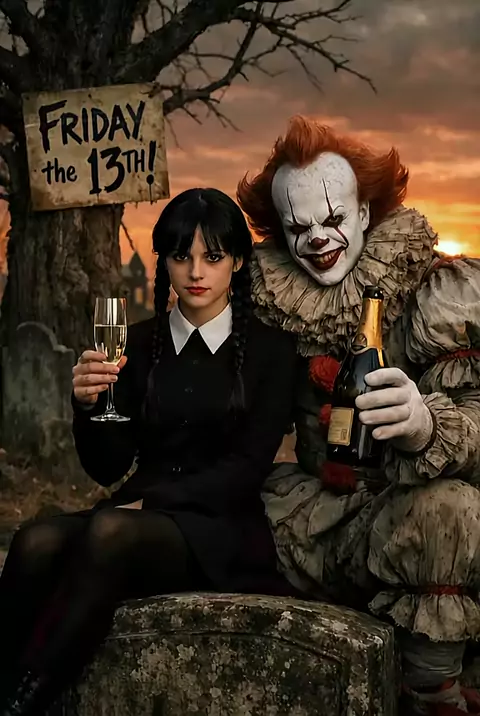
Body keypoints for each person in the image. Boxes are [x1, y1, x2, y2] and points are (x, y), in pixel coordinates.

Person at [0, 187, 298, 715]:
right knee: (33, 540)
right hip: (137, 515)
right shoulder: (135, 343)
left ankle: (24, 700)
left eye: (212, 256)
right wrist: (87, 405)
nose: (196, 272)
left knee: (111, 528)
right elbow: (108, 466)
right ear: (164, 261)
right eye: (181, 256)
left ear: (237, 261)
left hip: (218, 527)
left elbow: (246, 469)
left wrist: (152, 502)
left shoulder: (272, 351)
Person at [237, 116, 480, 715]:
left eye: (333, 219)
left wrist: (426, 425)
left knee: (446, 509)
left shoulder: (433, 293)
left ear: (365, 212)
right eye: (299, 227)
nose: (318, 239)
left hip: (420, 519)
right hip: (323, 522)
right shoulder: (274, 300)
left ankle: (433, 693)